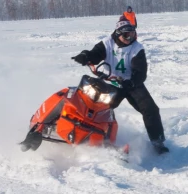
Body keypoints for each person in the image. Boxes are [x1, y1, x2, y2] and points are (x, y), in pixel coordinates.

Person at [71, 20, 169, 154]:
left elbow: (141, 72)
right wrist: (85, 56)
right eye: (126, 35)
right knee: (99, 109)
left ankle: (158, 142)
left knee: (150, 109)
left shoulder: (137, 48)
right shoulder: (107, 43)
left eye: (133, 34)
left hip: (131, 84)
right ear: (118, 34)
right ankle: (86, 134)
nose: (130, 38)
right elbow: (95, 55)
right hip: (110, 83)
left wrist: (132, 82)